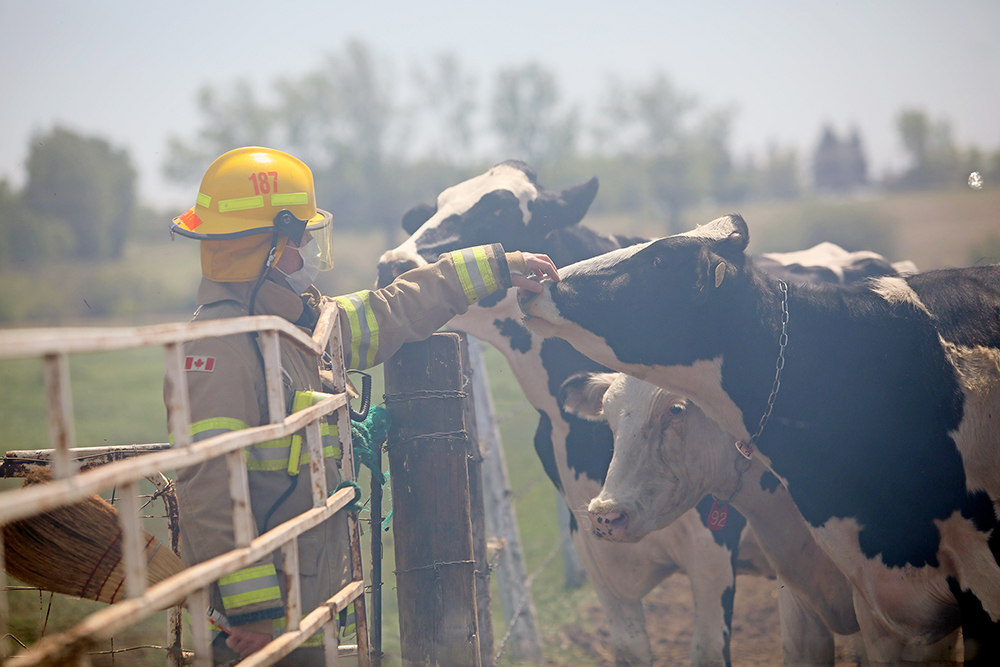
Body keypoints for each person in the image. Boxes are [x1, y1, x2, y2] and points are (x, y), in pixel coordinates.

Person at [163, 146, 558, 666]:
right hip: (262, 634)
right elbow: (209, 489)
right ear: (265, 249)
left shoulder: (307, 323)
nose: (308, 252)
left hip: (312, 608)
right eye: (300, 239)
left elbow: (395, 308)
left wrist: (496, 267)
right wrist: (252, 613)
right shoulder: (220, 347)